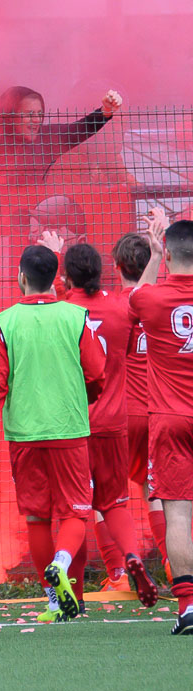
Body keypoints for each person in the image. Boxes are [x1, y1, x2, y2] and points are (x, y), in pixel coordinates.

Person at [0, 244, 108, 622]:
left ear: (22, 278)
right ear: (56, 280)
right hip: (68, 428)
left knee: (36, 518)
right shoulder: (77, 317)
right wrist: (84, 398)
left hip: (24, 435)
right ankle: (62, 566)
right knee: (76, 513)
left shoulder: (5, 321)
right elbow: (97, 374)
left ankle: (57, 602)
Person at [59, 239, 158, 607]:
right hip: (117, 419)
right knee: (118, 500)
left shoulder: (62, 310)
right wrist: (160, 256)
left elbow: (46, 296)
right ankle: (134, 556)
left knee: (78, 507)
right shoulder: (122, 306)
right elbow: (143, 295)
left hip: (74, 424)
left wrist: (54, 256)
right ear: (103, 272)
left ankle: (99, 578)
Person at [127, 216, 193, 633]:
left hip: (171, 420)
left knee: (180, 516)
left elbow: (134, 296)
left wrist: (151, 255)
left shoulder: (152, 299)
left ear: (167, 253)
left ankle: (188, 607)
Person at [112, 231, 171, 575]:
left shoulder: (117, 304)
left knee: (107, 495)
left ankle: (118, 573)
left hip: (124, 413)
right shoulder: (164, 302)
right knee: (158, 491)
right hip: (162, 410)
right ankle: (171, 563)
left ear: (117, 265)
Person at [0, 86, 123, 185]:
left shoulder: (47, 139)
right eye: (29, 114)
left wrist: (105, 111)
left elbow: (80, 129)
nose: (36, 120)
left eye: (39, 114)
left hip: (33, 223)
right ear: (10, 116)